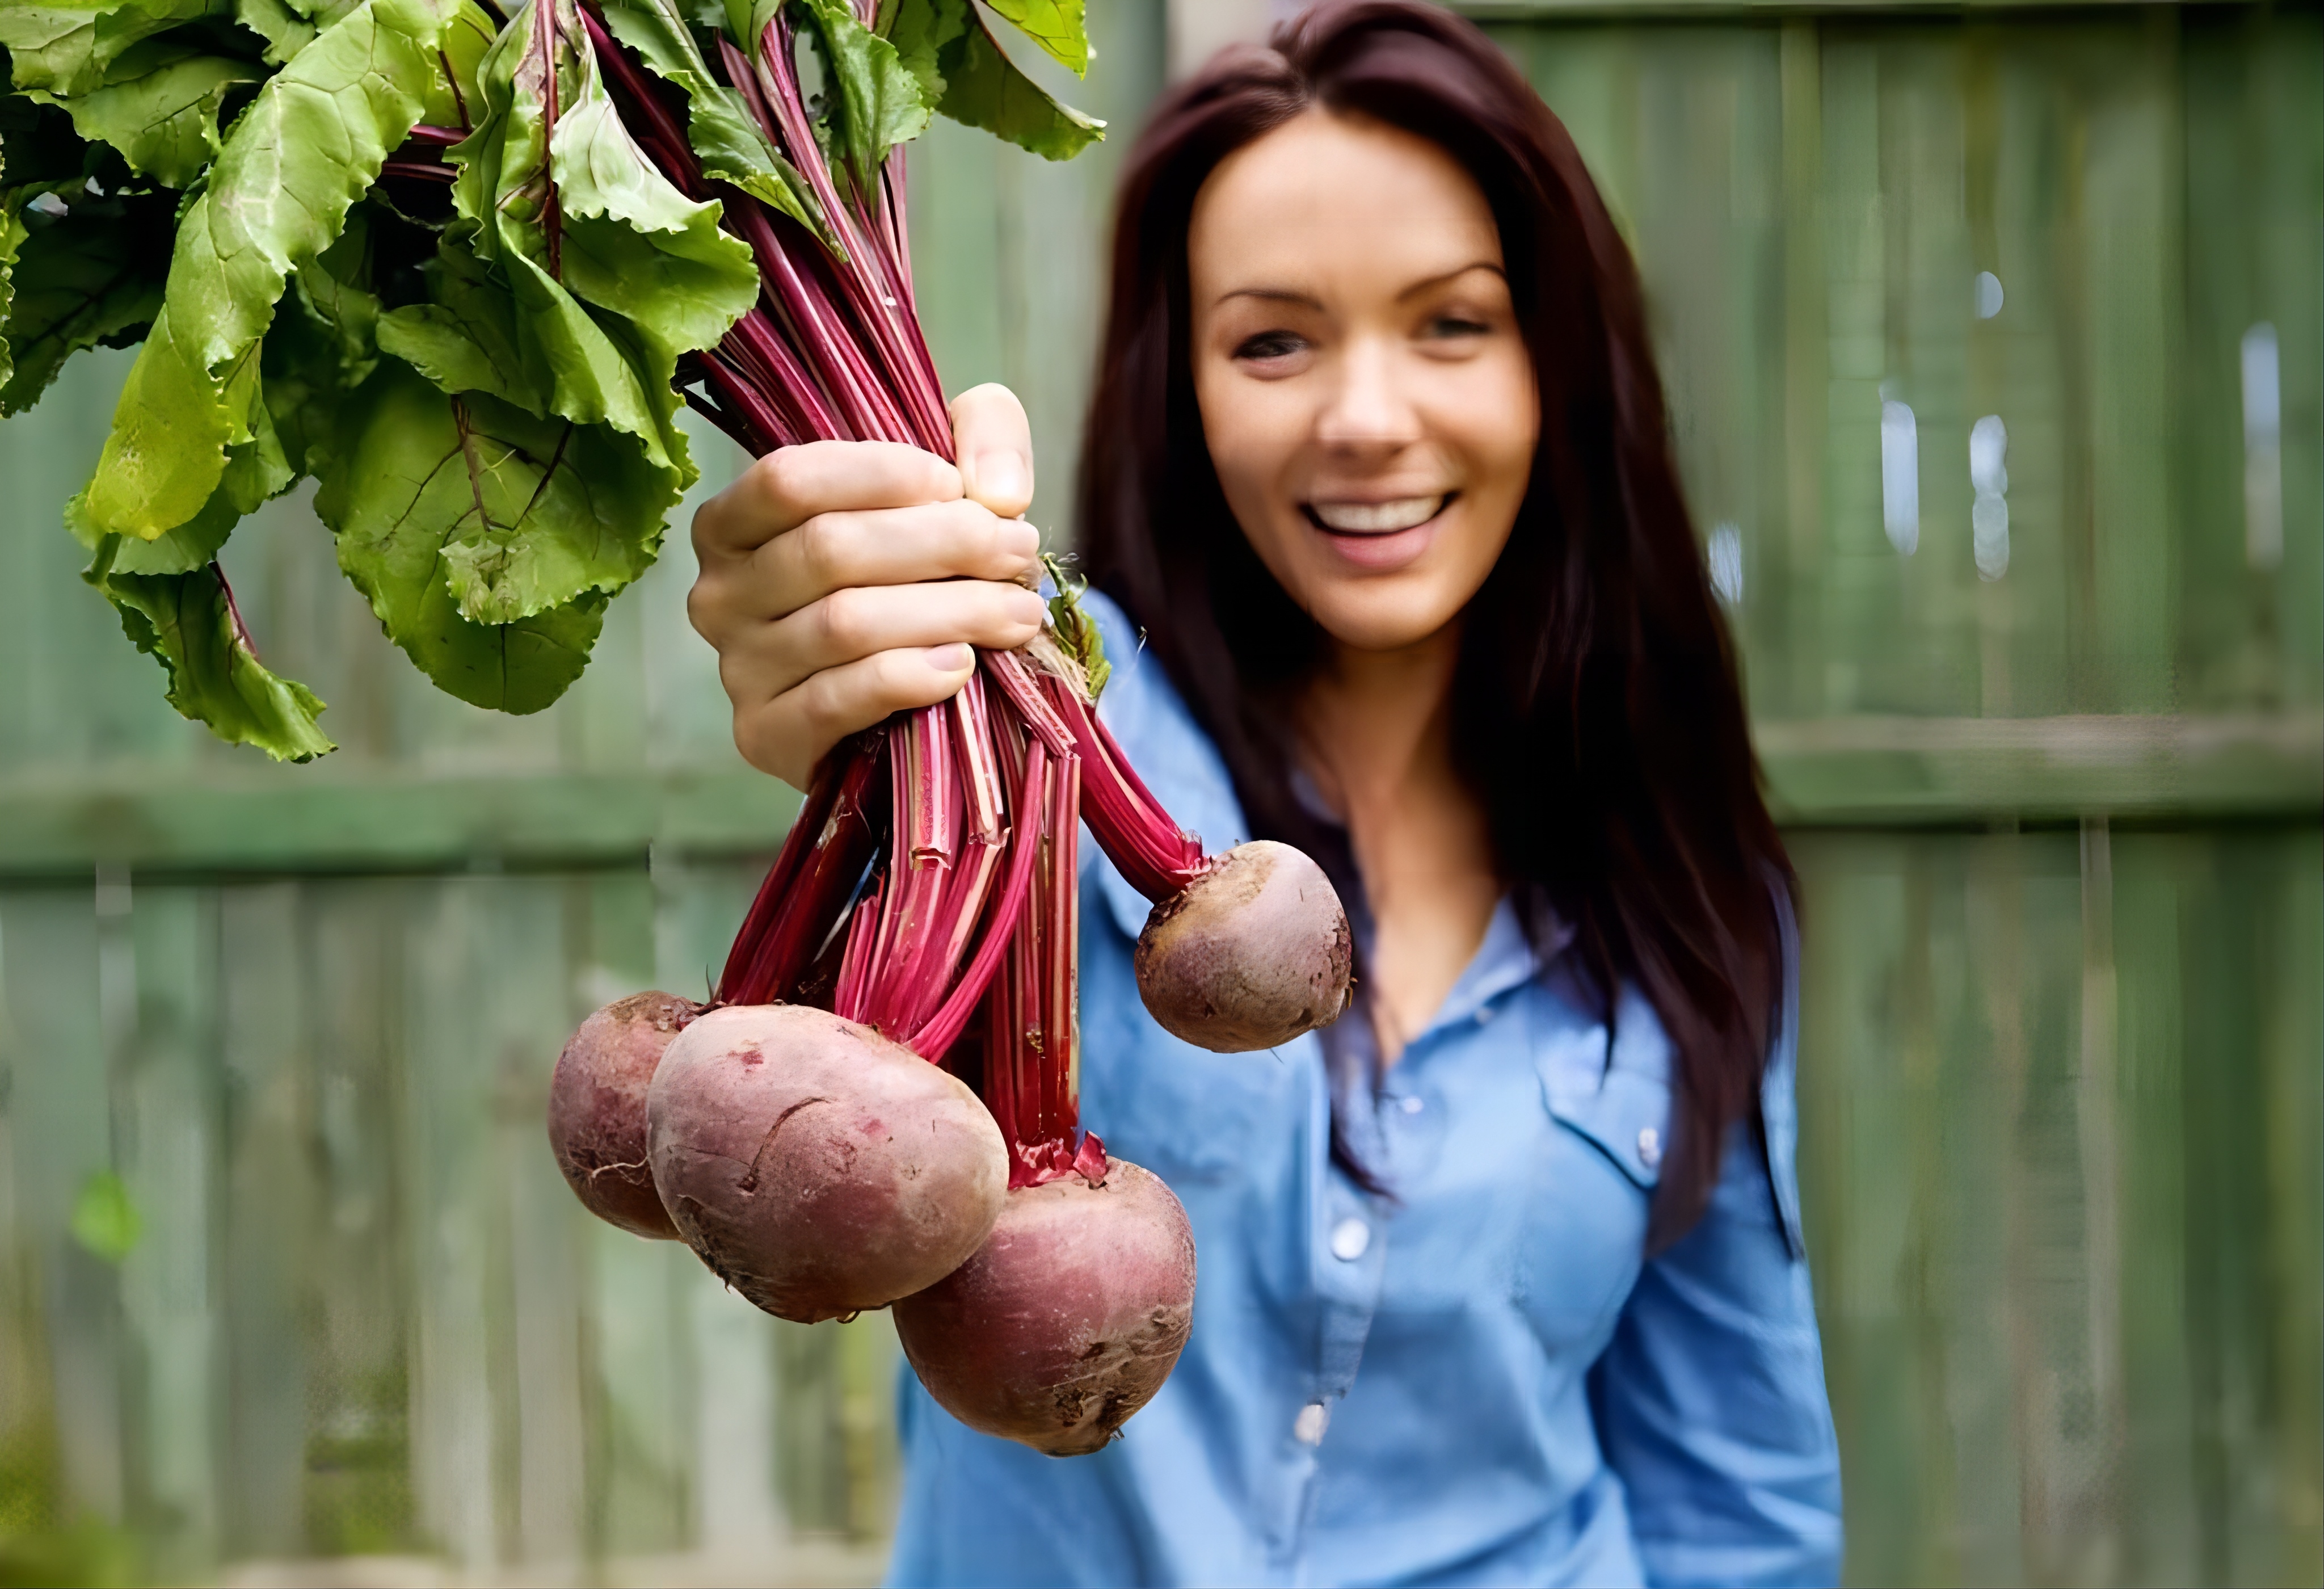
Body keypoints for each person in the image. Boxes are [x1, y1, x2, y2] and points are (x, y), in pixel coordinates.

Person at [685, 2, 1843, 1583]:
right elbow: (859, 768)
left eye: (1452, 324)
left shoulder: (1687, 895)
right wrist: (837, 671)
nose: (1368, 419)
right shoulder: (1025, 746)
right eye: (1273, 340)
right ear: (1185, 394)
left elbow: (1740, 1500)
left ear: (1559, 367)